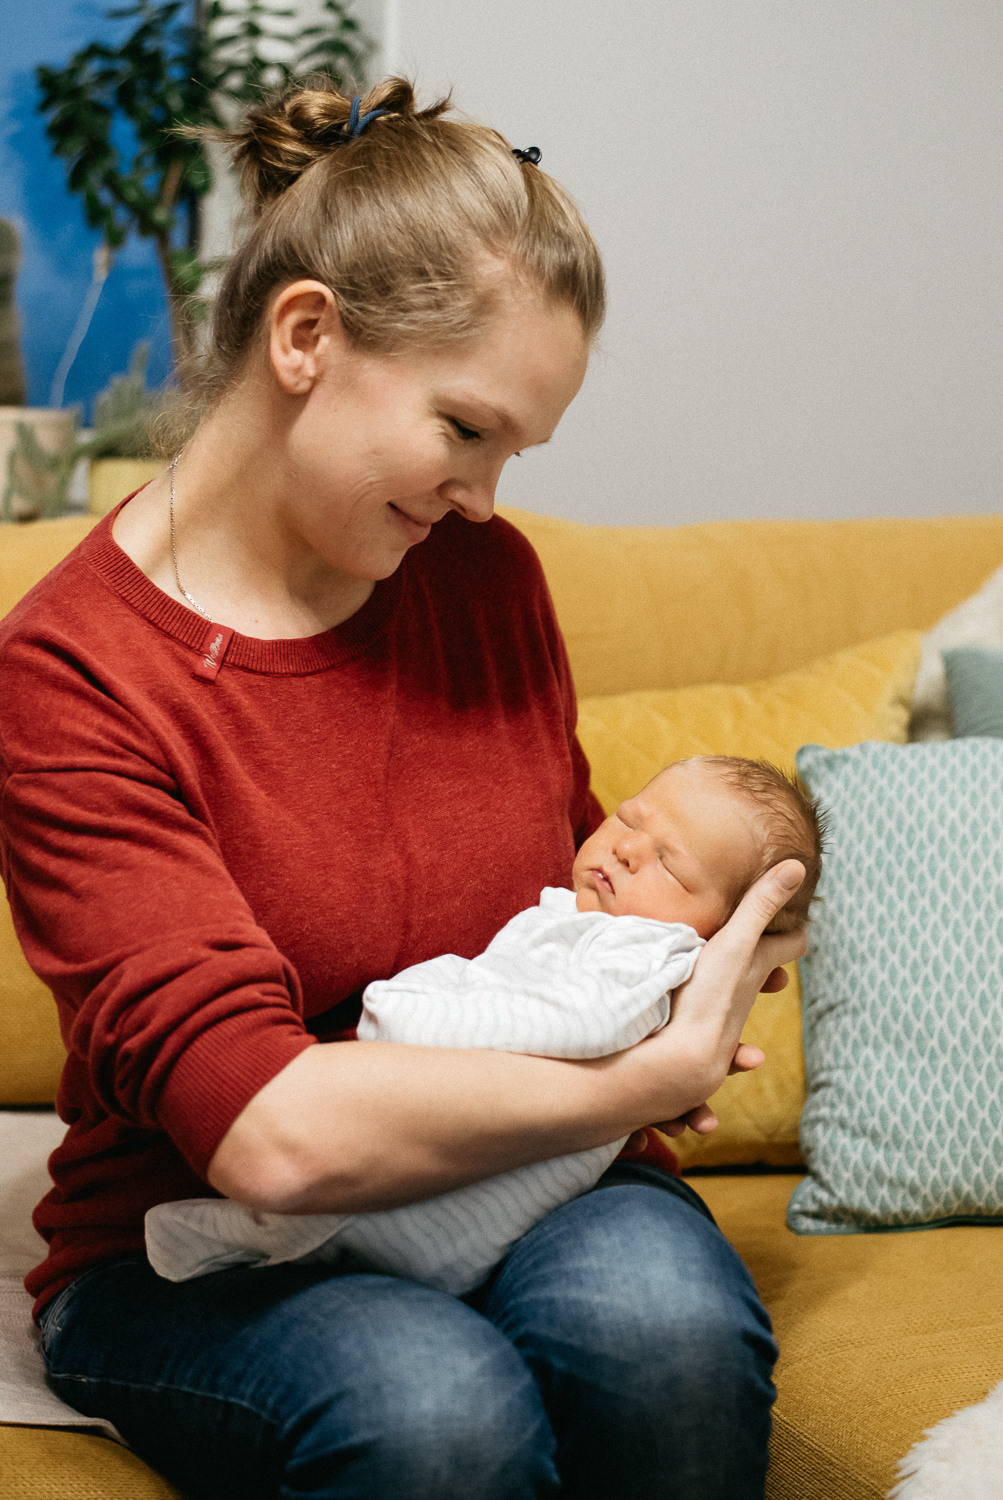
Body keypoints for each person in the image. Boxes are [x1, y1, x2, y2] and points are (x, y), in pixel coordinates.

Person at [0, 78, 808, 1500]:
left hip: (524, 1178)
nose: (489, 499)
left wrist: (685, 959)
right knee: (433, 1408)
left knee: (662, 1333)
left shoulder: (477, 577)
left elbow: (562, 883)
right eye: (464, 430)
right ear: (305, 336)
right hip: (198, 1233)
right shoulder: (74, 673)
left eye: (516, 451)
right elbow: (269, 1136)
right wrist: (642, 1079)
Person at [145, 755, 823, 1296]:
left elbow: (573, 1025)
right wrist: (660, 1079)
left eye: (669, 863)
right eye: (626, 818)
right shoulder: (581, 916)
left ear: (720, 930)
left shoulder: (647, 955)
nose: (624, 849)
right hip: (396, 1144)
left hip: (471, 1194)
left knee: (331, 1239)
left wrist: (415, 1008)